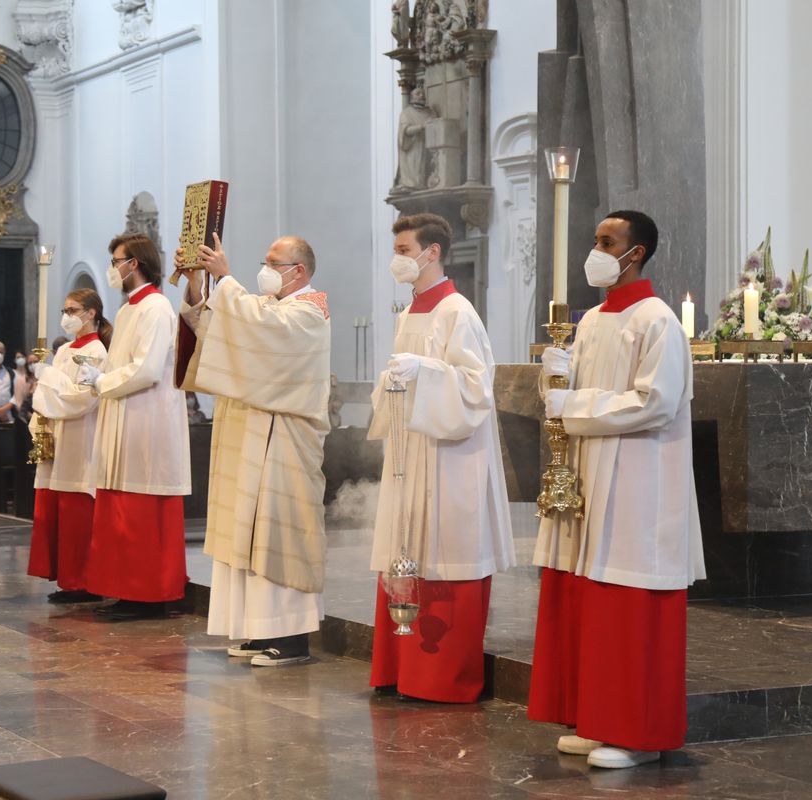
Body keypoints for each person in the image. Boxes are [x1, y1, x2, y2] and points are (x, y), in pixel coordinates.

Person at [527, 210, 704, 769]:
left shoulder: (657, 321)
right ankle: (597, 718)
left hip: (639, 482)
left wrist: (573, 404)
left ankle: (638, 733)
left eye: (608, 241)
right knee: (592, 600)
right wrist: (553, 375)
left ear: (638, 253)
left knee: (629, 606)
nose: (596, 250)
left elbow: (658, 402)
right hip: (593, 475)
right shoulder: (595, 319)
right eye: (596, 240)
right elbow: (566, 396)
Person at [367, 213, 515, 700]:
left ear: (432, 253)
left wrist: (423, 371)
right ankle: (402, 670)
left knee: (446, 553)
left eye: (405, 250)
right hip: (412, 453)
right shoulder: (408, 313)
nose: (398, 260)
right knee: (408, 547)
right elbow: (401, 381)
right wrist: (395, 382)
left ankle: (442, 678)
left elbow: (476, 390)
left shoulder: (458, 312)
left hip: (450, 459)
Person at [175, 232, 331, 667]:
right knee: (246, 532)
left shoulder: (308, 312)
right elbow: (217, 328)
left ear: (298, 271)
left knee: (276, 534)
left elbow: (261, 332)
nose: (265, 269)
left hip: (284, 443)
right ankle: (258, 629)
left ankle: (291, 635)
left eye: (272, 262)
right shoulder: (269, 307)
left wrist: (225, 279)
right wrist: (196, 285)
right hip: (250, 438)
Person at [74, 234, 190, 621]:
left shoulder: (156, 308)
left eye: (116, 259)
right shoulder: (127, 311)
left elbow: (148, 368)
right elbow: (120, 363)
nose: (112, 267)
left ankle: (149, 595)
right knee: (120, 509)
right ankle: (127, 591)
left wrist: (102, 382)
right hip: (123, 415)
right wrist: (96, 373)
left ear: (134, 263)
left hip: (146, 420)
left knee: (141, 511)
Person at [27, 289, 111, 604]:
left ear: (91, 313)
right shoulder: (63, 352)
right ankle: (67, 579)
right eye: (65, 309)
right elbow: (49, 392)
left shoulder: (97, 352)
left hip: (80, 438)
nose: (66, 316)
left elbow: (82, 398)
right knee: (57, 512)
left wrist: (48, 380)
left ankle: (84, 582)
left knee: (77, 513)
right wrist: (40, 422)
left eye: (72, 310)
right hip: (58, 438)